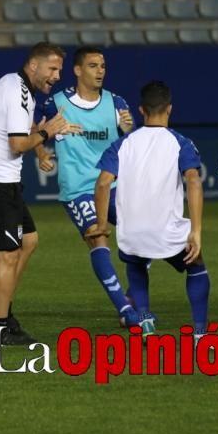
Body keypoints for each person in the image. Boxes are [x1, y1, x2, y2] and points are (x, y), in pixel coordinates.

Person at [0, 43, 80, 346]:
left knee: (28, 241)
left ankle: (1, 313)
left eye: (59, 70)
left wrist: (41, 149)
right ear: (34, 65)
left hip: (4, 182)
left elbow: (26, 126)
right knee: (7, 256)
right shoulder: (18, 92)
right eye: (52, 69)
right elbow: (17, 144)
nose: (57, 76)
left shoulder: (19, 87)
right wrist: (48, 133)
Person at [35, 47, 139, 328]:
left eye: (103, 65)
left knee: (147, 233)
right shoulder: (56, 103)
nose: (100, 71)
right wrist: (42, 153)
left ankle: (134, 295)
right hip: (79, 189)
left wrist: (127, 131)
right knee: (97, 237)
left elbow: (130, 144)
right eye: (93, 66)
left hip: (113, 186)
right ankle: (127, 312)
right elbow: (34, 130)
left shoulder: (116, 103)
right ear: (78, 70)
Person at [94, 80, 208, 338]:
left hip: (131, 232)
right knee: (196, 266)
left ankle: (145, 322)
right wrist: (196, 231)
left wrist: (102, 224)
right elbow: (193, 181)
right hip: (168, 230)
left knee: (135, 265)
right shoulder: (181, 142)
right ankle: (200, 333)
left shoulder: (122, 144)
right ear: (169, 109)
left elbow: (102, 184)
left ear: (141, 111)